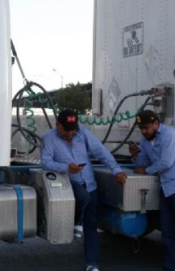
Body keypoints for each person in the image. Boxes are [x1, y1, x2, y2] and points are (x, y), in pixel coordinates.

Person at [40, 109, 127, 271]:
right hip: (69, 183)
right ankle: (76, 222)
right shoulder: (48, 138)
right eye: (67, 129)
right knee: (83, 197)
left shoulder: (82, 133)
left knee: (91, 226)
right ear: (57, 124)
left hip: (89, 183)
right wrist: (66, 167)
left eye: (73, 129)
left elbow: (101, 151)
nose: (71, 133)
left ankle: (92, 264)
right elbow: (45, 162)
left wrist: (116, 170)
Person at [129, 110, 175, 271]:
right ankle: (170, 267)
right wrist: (135, 157)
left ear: (156, 123)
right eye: (141, 128)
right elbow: (141, 163)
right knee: (168, 231)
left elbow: (166, 162)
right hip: (167, 187)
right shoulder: (145, 140)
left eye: (146, 127)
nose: (143, 131)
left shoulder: (170, 135)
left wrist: (146, 171)